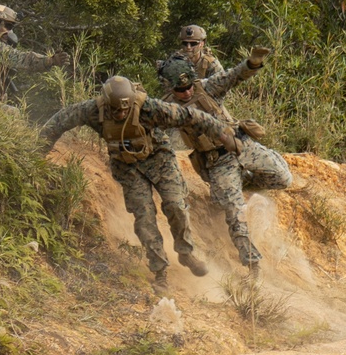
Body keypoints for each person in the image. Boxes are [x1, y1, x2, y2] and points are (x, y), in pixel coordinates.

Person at [40, 76, 222, 285]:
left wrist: (222, 133)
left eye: (125, 110)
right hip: (127, 167)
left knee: (176, 205)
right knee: (144, 218)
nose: (121, 114)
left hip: (159, 158)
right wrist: (37, 153)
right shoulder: (92, 110)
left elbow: (188, 115)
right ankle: (160, 271)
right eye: (116, 110)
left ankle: (186, 253)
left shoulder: (148, 107)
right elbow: (59, 121)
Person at [156, 49, 290, 270]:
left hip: (241, 145)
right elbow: (150, 129)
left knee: (283, 179)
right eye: (180, 89)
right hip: (217, 162)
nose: (187, 91)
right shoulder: (167, 108)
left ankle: (241, 181)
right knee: (235, 213)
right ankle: (252, 264)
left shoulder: (207, 87)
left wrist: (253, 62)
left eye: (189, 85)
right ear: (170, 87)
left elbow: (233, 76)